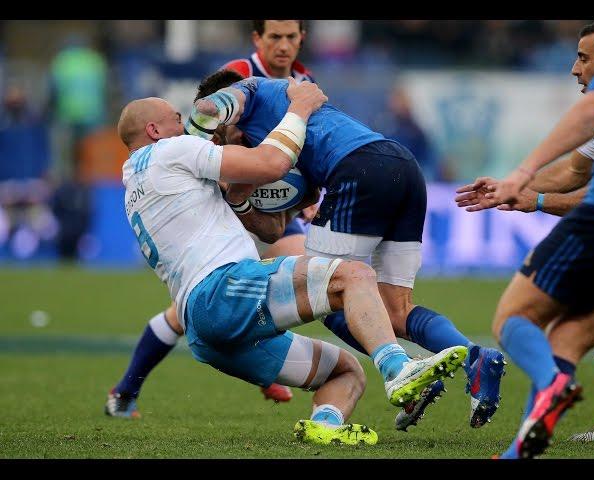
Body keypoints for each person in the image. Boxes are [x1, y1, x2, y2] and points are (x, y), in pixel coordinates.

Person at [117, 84, 468, 445]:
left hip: (203, 332)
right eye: (176, 119)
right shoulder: (170, 150)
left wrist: (240, 198)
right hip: (224, 291)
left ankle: (325, 426)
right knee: (353, 275)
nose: (189, 127)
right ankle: (398, 368)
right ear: (153, 131)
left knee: (345, 372)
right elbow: (272, 164)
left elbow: (262, 227)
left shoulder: (134, 188)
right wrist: (298, 108)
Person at [185, 69, 507, 432]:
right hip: (403, 168)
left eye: (218, 137)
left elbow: (208, 107)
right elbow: (283, 218)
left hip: (357, 170)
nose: (221, 145)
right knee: (396, 311)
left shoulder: (251, 90)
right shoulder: (277, 139)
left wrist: (190, 146)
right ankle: (476, 358)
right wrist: (242, 201)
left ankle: (403, 371)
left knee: (329, 291)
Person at [105, 20, 319, 417]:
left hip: (265, 201)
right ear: (258, 39)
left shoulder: (304, 80)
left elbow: (307, 150)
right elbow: (209, 129)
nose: (284, 45)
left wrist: (309, 194)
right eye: (276, 37)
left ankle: (125, 390)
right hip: (230, 193)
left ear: (302, 39)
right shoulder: (239, 74)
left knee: (307, 277)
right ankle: (380, 361)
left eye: (291, 37)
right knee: (318, 277)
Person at [454, 20, 594, 445]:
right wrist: (511, 187)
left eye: (585, 58)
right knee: (572, 334)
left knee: (516, 319)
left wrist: (527, 184)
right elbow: (575, 170)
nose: (575, 69)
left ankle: (554, 388)